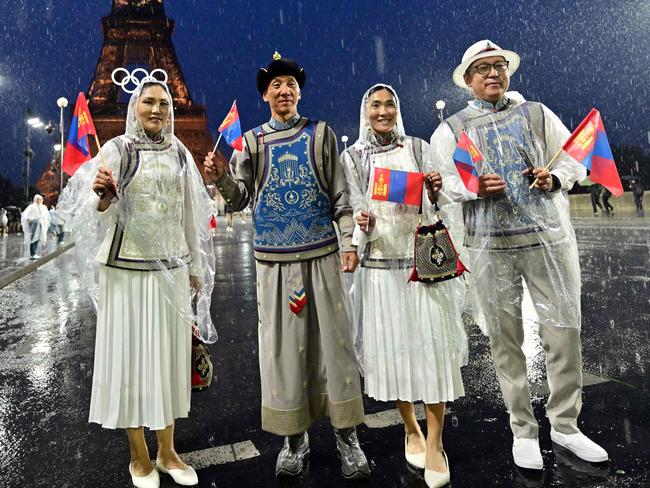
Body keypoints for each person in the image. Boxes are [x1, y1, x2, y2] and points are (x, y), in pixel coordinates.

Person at [430, 40, 609, 470]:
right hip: (491, 250)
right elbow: (443, 186)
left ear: (507, 73)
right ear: (468, 80)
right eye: (482, 69)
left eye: (499, 67)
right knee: (504, 341)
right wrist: (472, 187)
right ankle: (522, 430)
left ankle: (566, 426)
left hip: (546, 241)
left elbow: (574, 159)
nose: (492, 74)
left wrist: (554, 177)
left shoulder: (536, 113)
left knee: (563, 332)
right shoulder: (452, 129)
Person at [204, 52, 369, 480]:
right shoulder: (252, 141)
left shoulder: (321, 134)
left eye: (290, 84)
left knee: (335, 347)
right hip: (273, 265)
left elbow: (342, 196)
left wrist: (349, 242)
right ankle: (294, 438)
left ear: (299, 92)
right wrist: (221, 176)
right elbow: (239, 198)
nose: (284, 90)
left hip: (322, 256)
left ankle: (347, 435)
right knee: (282, 350)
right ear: (264, 95)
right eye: (275, 85)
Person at [60, 73, 216, 488]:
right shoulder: (118, 149)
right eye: (148, 102)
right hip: (126, 272)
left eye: (164, 104)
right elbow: (95, 208)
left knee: (167, 360)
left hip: (173, 269)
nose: (156, 110)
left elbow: (190, 214)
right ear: (134, 108)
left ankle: (167, 450)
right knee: (131, 359)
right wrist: (102, 194)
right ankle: (139, 456)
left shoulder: (180, 153)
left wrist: (196, 268)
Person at [341, 83, 467, 488]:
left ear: (397, 108)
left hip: (421, 268)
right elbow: (357, 207)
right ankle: (410, 427)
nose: (382, 111)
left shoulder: (418, 147)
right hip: (380, 272)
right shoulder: (354, 157)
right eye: (375, 105)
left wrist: (433, 191)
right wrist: (365, 225)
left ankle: (435, 443)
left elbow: (443, 201)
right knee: (393, 356)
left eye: (389, 104)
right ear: (365, 112)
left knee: (432, 354)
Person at [21, 194, 50, 259]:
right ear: (36, 199)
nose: (39, 200)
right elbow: (25, 214)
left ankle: (33, 253)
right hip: (34, 224)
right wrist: (30, 219)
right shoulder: (32, 206)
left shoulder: (43, 207)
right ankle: (32, 254)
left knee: (38, 238)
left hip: (40, 224)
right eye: (38, 199)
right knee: (34, 238)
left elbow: (47, 216)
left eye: (40, 199)